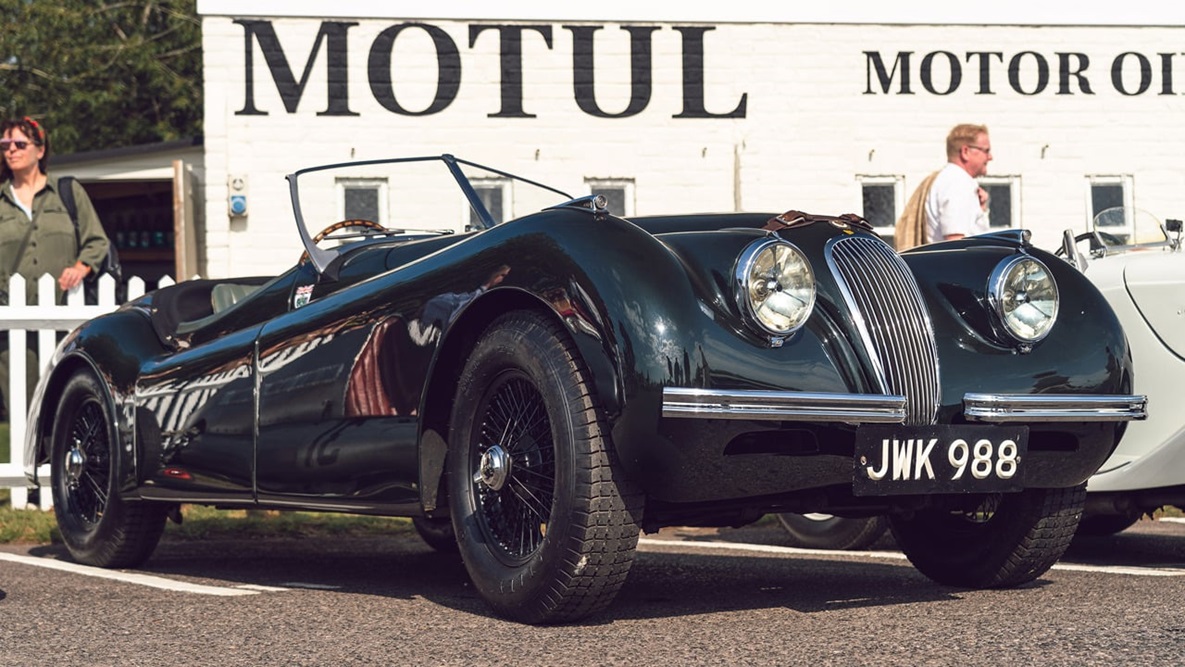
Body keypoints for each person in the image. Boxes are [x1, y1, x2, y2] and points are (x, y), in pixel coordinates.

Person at [0, 116, 112, 418]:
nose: (11, 150)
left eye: (19, 144)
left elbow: (97, 242)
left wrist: (82, 266)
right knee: (22, 406)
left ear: (40, 149)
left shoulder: (67, 192)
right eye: (5, 144)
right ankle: (29, 464)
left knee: (65, 401)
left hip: (66, 320)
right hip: (12, 322)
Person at [895, 123, 992, 251]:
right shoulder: (957, 182)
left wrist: (982, 209)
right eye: (986, 151)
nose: (990, 157)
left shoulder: (951, 179)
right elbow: (956, 243)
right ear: (965, 152)